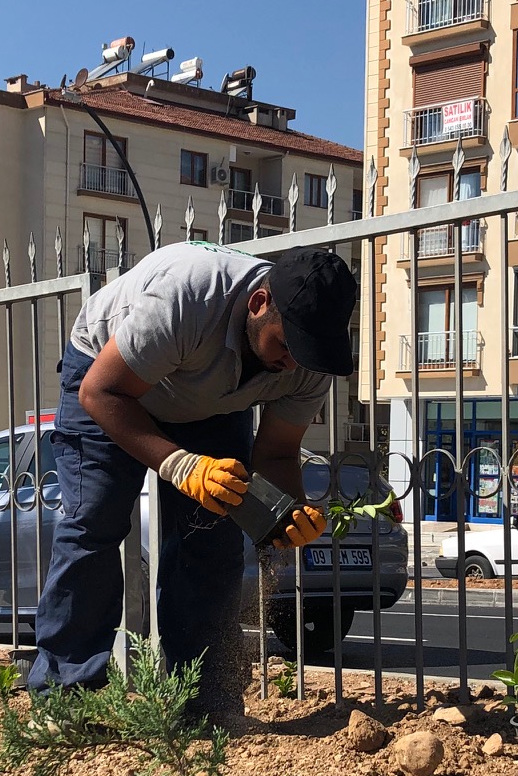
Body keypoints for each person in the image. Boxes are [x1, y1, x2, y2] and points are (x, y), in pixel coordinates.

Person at [27, 241, 358, 721]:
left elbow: (277, 451)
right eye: (286, 345)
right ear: (258, 304)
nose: (292, 363)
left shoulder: (307, 361)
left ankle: (202, 702)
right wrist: (179, 464)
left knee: (212, 543)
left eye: (306, 352)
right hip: (108, 377)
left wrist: (292, 511)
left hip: (211, 403)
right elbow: (102, 391)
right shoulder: (188, 296)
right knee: (95, 524)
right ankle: (63, 697)